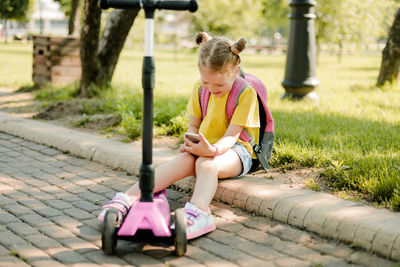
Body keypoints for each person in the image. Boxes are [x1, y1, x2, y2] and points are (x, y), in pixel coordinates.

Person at [98, 32, 260, 240]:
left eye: (219, 85)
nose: (212, 89)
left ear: (236, 70)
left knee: (206, 164)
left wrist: (211, 151)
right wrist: (191, 141)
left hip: (237, 151)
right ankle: (129, 196)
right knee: (179, 162)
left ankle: (200, 210)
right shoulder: (201, 89)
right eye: (206, 83)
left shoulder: (245, 93)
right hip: (205, 145)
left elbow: (231, 136)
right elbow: (194, 125)